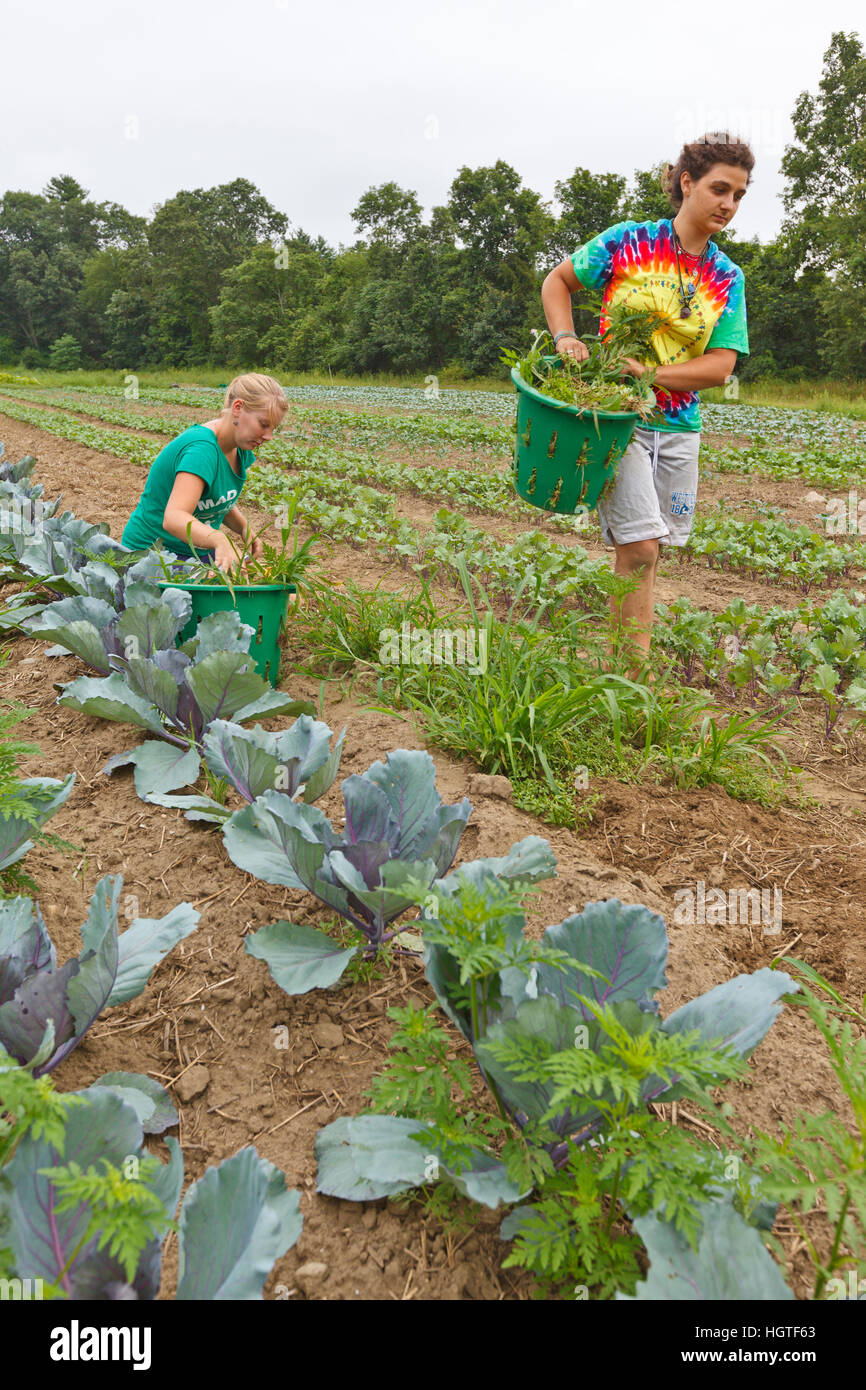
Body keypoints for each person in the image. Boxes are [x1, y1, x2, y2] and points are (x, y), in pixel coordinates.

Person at [541, 132, 753, 657]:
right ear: (688, 183)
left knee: (651, 550)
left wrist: (651, 372)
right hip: (619, 416)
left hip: (680, 428)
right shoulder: (630, 242)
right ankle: (632, 675)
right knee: (638, 548)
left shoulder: (727, 276)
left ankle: (622, 661)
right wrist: (567, 338)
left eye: (739, 195)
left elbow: (721, 366)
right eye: (720, 189)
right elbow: (558, 282)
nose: (729, 204)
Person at [122, 373, 288, 572]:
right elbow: (174, 517)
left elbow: (215, 500)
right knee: (251, 596)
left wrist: (244, 528)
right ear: (238, 408)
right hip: (153, 555)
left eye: (273, 429)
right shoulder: (202, 451)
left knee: (284, 593)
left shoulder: (240, 448)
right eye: (263, 424)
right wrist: (219, 538)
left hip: (194, 552)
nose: (268, 436)